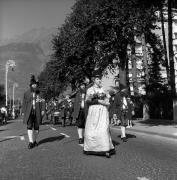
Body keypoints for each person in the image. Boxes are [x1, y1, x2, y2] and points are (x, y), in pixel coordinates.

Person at [83, 71, 115, 158]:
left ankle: (105, 149)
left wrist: (107, 102)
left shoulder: (103, 89)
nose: (100, 80)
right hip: (94, 111)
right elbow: (87, 101)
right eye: (98, 79)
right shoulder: (90, 90)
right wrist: (97, 100)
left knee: (103, 128)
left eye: (100, 78)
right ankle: (91, 148)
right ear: (94, 80)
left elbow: (108, 99)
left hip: (103, 111)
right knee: (92, 129)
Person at [22, 75, 45, 149]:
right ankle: (30, 142)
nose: (34, 85)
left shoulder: (40, 93)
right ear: (31, 85)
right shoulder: (26, 93)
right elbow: (24, 103)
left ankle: (34, 141)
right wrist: (23, 111)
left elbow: (43, 102)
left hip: (37, 112)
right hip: (29, 113)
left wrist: (43, 110)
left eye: (35, 84)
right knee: (29, 127)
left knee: (36, 127)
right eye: (33, 84)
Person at [72, 80, 87, 144]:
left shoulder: (88, 93)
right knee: (80, 125)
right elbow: (71, 96)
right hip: (79, 111)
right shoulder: (77, 93)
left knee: (86, 125)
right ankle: (80, 138)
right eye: (81, 85)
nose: (83, 86)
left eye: (84, 85)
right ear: (79, 87)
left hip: (86, 111)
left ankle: (85, 137)